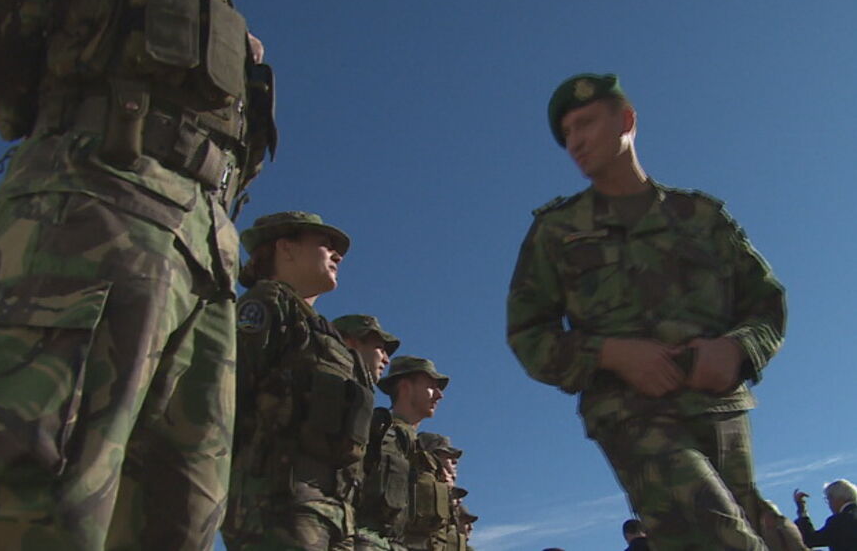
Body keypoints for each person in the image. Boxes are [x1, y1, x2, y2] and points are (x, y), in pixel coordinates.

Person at [0, 0, 275, 549]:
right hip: (101, 208)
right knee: (37, 503)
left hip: (204, 251)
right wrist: (64, 111)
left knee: (174, 519)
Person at [507, 73, 786, 550]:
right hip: (629, 412)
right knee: (719, 535)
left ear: (627, 120)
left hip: (720, 408)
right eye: (567, 134)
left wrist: (737, 349)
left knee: (767, 533)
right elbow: (528, 334)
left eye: (585, 124)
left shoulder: (701, 216)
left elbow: (766, 303)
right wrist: (610, 353)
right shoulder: (556, 232)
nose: (575, 141)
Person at [222, 211, 373, 551]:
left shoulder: (326, 334)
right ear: (285, 248)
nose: (337, 255)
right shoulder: (266, 304)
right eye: (325, 245)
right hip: (278, 503)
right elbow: (227, 395)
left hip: (335, 513)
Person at [356, 356, 448, 551]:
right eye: (431, 386)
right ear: (405, 387)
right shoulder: (375, 432)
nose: (439, 395)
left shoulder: (423, 454)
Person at [334, 315, 401, 383]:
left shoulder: (348, 388)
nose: (386, 360)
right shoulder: (332, 383)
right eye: (380, 348)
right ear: (350, 344)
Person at [793, 480, 857, 550]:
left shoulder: (839, 521)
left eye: (828, 500)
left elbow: (811, 540)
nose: (829, 505)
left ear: (837, 498)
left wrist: (802, 511)